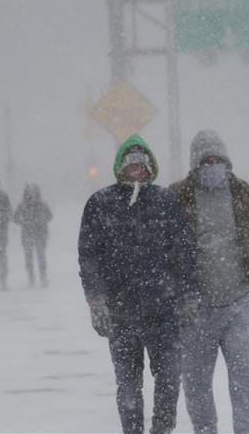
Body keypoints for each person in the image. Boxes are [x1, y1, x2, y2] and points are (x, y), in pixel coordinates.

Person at [169, 129, 249, 434]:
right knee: (196, 382)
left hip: (240, 303)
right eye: (205, 161)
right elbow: (161, 252)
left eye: (217, 160)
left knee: (246, 376)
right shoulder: (177, 197)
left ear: (226, 161)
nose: (212, 166)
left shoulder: (241, 193)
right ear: (195, 165)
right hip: (195, 309)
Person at [78, 134, 200, 434]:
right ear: (120, 167)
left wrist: (188, 297)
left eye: (142, 164)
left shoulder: (166, 201)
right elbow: (89, 257)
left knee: (170, 379)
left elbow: (184, 253)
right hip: (121, 314)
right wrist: (96, 301)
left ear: (151, 167)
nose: (137, 170)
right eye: (131, 164)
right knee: (129, 387)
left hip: (164, 311)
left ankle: (162, 429)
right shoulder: (100, 204)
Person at [13, 183, 53, 288]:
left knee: (41, 257)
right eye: (29, 191)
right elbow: (15, 218)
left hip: (40, 235)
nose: (31, 194)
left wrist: (41, 220)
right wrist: (23, 221)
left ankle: (43, 278)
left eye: (33, 191)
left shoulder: (42, 205)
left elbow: (50, 216)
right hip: (27, 235)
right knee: (29, 258)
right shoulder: (22, 205)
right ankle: (31, 279)